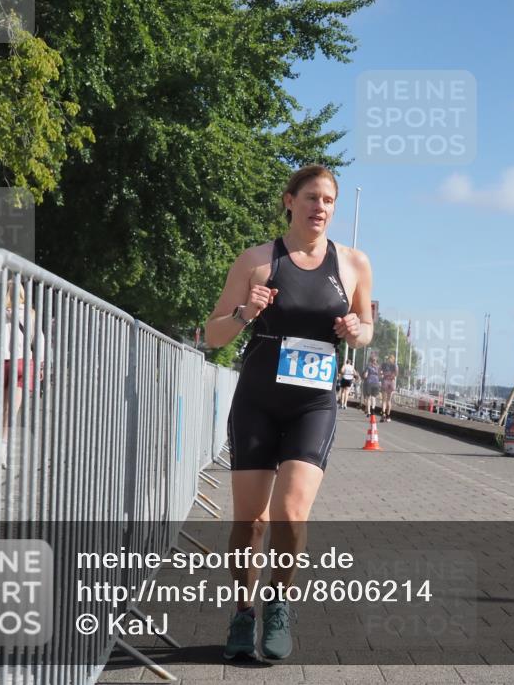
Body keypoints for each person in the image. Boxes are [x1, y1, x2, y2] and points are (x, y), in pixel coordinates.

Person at [204, 164, 373, 661]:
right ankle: (242, 612)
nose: (321, 207)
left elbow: (367, 327)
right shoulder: (257, 261)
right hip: (257, 401)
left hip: (311, 404)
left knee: (290, 514)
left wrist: (355, 332)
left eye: (329, 200)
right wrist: (244, 314)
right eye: (312, 198)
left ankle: (278, 604)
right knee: (250, 521)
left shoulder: (354, 263)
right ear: (290, 201)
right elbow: (213, 335)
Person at [0, 280, 44, 468]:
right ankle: (4, 449)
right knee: (12, 410)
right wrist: (40, 365)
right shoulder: (30, 314)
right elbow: (38, 340)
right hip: (23, 362)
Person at [380, 354, 398, 422]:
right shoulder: (395, 365)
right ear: (393, 359)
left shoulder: (383, 364)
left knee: (384, 400)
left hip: (385, 381)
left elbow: (379, 371)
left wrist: (382, 375)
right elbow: (396, 374)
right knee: (389, 400)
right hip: (391, 382)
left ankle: (383, 414)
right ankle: (388, 416)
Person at [362, 353, 381, 417]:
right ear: (376, 360)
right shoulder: (378, 367)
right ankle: (373, 410)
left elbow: (365, 375)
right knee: (374, 398)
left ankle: (369, 412)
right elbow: (380, 375)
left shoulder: (368, 366)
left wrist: (364, 376)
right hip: (376, 383)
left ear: (370, 360)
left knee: (369, 397)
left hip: (369, 382)